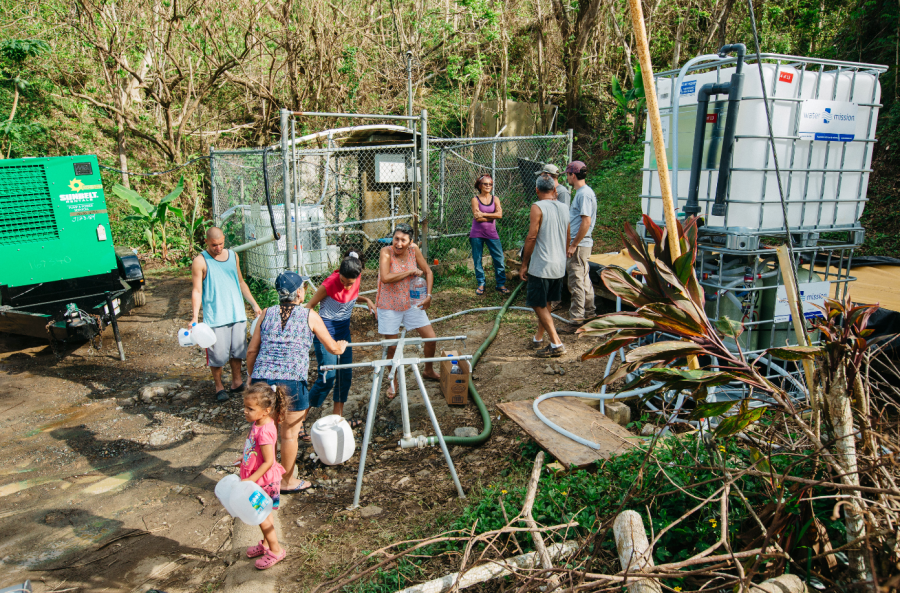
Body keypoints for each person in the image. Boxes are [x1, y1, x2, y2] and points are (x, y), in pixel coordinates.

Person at [246, 271, 348, 494]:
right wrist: (340, 347)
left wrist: (251, 378)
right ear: (299, 293)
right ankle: (287, 481)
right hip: (292, 381)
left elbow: (252, 349)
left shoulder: (265, 314)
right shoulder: (309, 315)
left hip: (262, 380)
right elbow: (331, 347)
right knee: (289, 435)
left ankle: (265, 478)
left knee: (267, 432)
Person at [305, 252, 376, 429]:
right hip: (325, 330)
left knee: (345, 375)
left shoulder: (355, 279)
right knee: (328, 376)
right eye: (342, 281)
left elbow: (348, 296)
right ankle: (298, 420)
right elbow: (308, 308)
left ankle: (338, 419)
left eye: (349, 283)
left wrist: (366, 299)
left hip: (343, 331)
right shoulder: (329, 283)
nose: (345, 285)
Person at [191, 227, 261, 402]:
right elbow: (197, 290)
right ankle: (219, 386)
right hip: (216, 317)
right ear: (206, 242)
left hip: (236, 313)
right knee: (217, 355)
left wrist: (254, 304)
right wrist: (194, 317)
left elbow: (240, 281)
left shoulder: (233, 256)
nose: (218, 248)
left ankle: (237, 382)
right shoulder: (200, 261)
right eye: (214, 245)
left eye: (221, 243)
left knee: (237, 352)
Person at [377, 223, 439, 396]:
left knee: (431, 338)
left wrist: (428, 295)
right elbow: (386, 278)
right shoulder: (386, 252)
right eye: (396, 239)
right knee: (392, 347)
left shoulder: (414, 250)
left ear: (411, 241)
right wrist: (410, 271)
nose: (398, 243)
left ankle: (428, 370)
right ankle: (393, 380)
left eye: (403, 240)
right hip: (389, 304)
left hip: (411, 302)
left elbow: (428, 272)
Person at [239, 383, 288, 570]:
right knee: (263, 515)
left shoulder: (266, 430)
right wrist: (243, 458)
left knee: (262, 517)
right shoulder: (257, 423)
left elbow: (268, 461)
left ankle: (276, 550)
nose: (245, 411)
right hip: (258, 480)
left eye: (250, 409)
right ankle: (267, 543)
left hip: (263, 482)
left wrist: (250, 480)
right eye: (245, 407)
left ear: (266, 410)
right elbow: (255, 450)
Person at [520, 176, 569, 358]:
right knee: (546, 301)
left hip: (542, 264)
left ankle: (556, 343)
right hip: (559, 263)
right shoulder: (564, 207)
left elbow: (532, 237)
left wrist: (524, 263)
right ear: (554, 190)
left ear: (537, 190)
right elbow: (568, 234)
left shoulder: (537, 207)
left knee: (537, 303)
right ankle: (538, 338)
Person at [565, 161, 597, 322]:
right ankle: (590, 314)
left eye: (568, 174)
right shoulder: (584, 192)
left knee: (576, 281)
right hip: (583, 244)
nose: (567, 178)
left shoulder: (584, 194)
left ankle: (576, 319)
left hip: (580, 245)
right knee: (584, 279)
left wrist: (573, 244)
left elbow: (586, 221)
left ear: (573, 175)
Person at [469, 174, 510, 296]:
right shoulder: (475, 199)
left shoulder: (495, 199)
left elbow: (500, 215)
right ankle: (481, 283)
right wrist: (491, 215)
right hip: (476, 234)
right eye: (485, 184)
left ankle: (500, 284)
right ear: (480, 186)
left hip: (492, 233)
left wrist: (483, 214)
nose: (488, 186)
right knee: (477, 259)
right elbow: (477, 218)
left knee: (499, 258)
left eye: (490, 184)